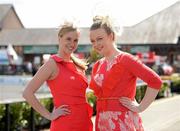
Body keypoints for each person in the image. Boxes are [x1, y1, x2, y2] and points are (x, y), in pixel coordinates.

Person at [89, 16, 162, 131]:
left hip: (122, 121)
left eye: (99, 39)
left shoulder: (126, 59)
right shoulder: (98, 65)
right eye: (92, 41)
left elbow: (155, 81)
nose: (96, 44)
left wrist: (140, 107)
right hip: (102, 122)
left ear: (111, 36)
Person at [23, 22, 93, 131]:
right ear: (59, 38)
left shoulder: (78, 65)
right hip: (65, 124)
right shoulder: (52, 64)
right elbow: (27, 93)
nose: (72, 43)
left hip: (84, 123)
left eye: (75, 40)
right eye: (68, 39)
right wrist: (49, 115)